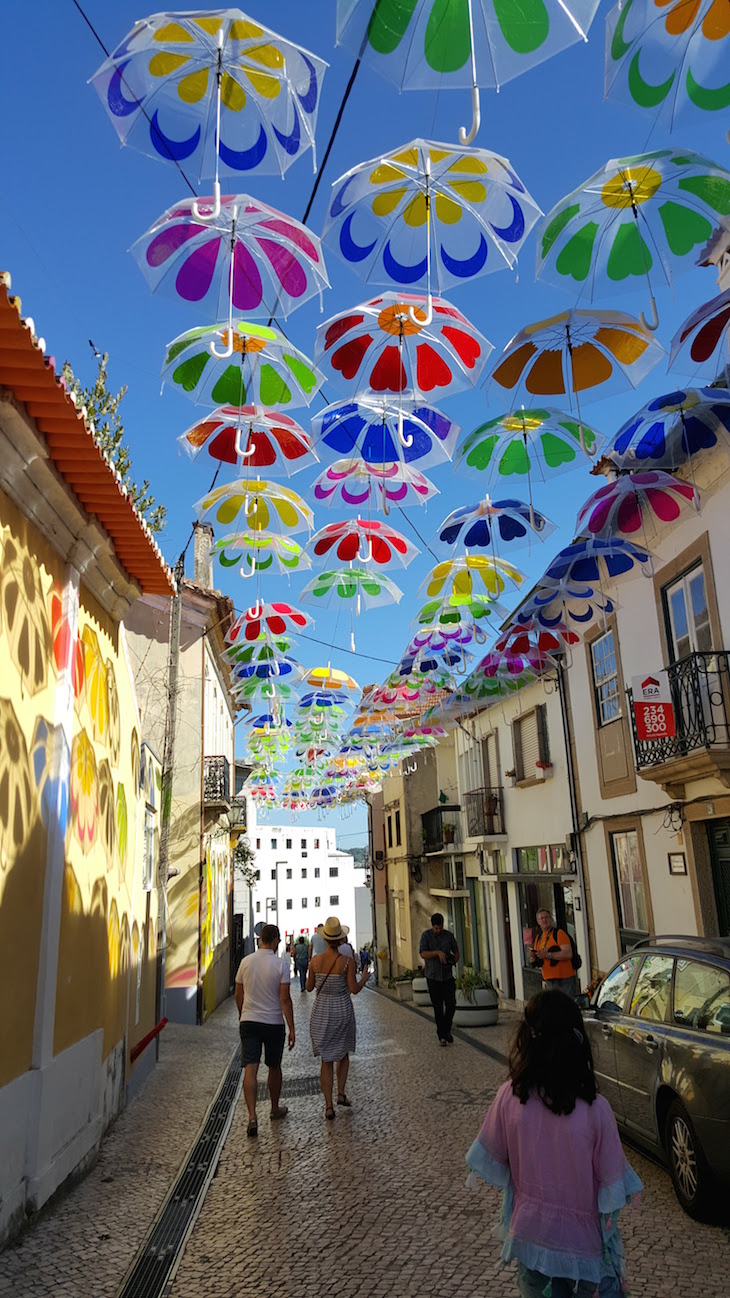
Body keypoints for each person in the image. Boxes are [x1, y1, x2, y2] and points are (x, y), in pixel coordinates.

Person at [466, 991, 641, 1298]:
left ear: (527, 1041)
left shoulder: (509, 1097)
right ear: (578, 1044)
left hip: (531, 1240)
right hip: (583, 1250)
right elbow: (612, 1188)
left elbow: (496, 1158)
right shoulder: (596, 1110)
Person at [306, 915, 370, 1120]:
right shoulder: (347, 962)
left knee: (326, 1059)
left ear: (325, 940)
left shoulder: (314, 962)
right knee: (343, 1054)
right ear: (341, 940)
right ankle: (341, 1093)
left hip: (321, 1011)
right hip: (342, 1010)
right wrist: (364, 979)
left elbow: (308, 988)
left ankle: (328, 1106)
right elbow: (354, 989)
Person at [234, 923, 295, 1138]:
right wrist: (292, 1028)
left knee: (250, 1068)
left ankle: (252, 1116)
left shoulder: (245, 962)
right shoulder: (280, 965)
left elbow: (238, 993)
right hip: (273, 1022)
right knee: (274, 1066)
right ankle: (274, 1108)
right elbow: (285, 999)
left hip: (249, 1020)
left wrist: (243, 1014)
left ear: (260, 939)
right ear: (276, 940)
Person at [419, 912, 459, 1046]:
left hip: (447, 976)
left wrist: (453, 961)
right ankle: (442, 1035)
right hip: (433, 977)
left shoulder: (448, 936)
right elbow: (423, 953)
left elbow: (456, 951)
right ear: (432, 926)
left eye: (440, 928)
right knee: (438, 1007)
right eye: (436, 928)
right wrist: (437, 953)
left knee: (451, 1004)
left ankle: (446, 1030)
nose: (438, 931)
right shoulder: (426, 936)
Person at [530, 909, 577, 998]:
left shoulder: (559, 934)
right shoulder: (538, 938)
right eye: (542, 918)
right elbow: (538, 958)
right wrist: (533, 956)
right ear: (538, 922)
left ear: (551, 919)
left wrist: (548, 955)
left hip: (564, 978)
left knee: (566, 1006)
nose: (544, 920)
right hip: (548, 979)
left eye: (546, 917)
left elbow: (568, 954)